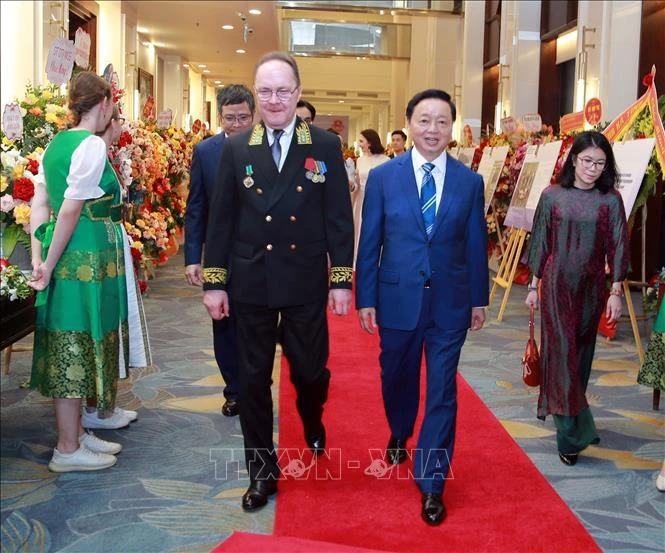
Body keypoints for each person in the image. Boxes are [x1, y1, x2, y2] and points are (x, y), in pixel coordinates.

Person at [202, 51, 354, 512]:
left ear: (298, 93)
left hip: (305, 278)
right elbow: (221, 221)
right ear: (255, 93)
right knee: (252, 380)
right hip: (252, 280)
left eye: (282, 90)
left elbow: (339, 221)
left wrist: (341, 280)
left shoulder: (323, 145)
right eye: (265, 90)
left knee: (311, 372)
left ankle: (312, 415)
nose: (273, 99)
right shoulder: (236, 146)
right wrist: (215, 282)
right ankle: (262, 473)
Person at [356, 89, 488, 526]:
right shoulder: (383, 177)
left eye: (443, 122)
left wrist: (479, 299)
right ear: (409, 123)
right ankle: (398, 427)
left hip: (450, 301)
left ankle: (432, 482)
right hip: (396, 299)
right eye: (425, 121)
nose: (434, 130)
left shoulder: (470, 182)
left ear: (453, 126)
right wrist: (366, 298)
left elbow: (474, 244)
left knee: (443, 392)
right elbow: (370, 242)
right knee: (396, 376)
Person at [28, 71, 127, 472]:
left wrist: (38, 256)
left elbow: (41, 202)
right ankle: (67, 448)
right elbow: (69, 210)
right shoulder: (90, 145)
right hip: (80, 254)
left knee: (74, 340)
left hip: (61, 251)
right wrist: (49, 265)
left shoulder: (55, 143)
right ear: (103, 104)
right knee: (75, 341)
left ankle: (76, 436)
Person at [525, 130, 629, 467]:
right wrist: (532, 286)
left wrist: (615, 292)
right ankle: (570, 435)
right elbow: (540, 240)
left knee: (580, 356)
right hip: (556, 285)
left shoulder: (610, 200)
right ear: (573, 159)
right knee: (561, 353)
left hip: (592, 287)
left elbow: (619, 247)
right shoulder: (552, 195)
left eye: (600, 163)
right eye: (587, 160)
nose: (592, 168)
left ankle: (568, 419)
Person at [185, 84, 255, 417]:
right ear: (220, 116)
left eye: (243, 117)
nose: (237, 124)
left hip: (260, 253)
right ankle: (234, 390)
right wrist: (191, 259)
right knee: (224, 324)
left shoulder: (268, 149)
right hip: (220, 256)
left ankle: (254, 385)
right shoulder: (205, 151)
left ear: (253, 116)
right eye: (230, 118)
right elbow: (196, 207)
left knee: (257, 323)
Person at [81, 105, 148, 430]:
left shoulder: (103, 152)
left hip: (110, 244)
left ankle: (103, 404)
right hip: (99, 247)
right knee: (103, 325)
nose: (123, 125)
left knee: (113, 323)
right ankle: (96, 407)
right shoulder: (92, 150)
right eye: (120, 118)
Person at [352, 129, 389, 267]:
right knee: (360, 230)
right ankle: (358, 260)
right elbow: (356, 183)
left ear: (370, 142)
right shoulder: (360, 160)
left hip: (379, 201)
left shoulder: (385, 160)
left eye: (361, 141)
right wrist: (351, 185)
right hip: (361, 200)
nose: (359, 144)